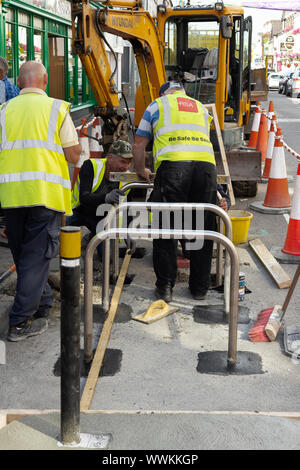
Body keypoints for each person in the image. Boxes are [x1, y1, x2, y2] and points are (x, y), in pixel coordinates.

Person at [0, 61, 81, 342]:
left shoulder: (3, 110)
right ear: (45, 81)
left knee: (25, 256)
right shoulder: (57, 109)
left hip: (11, 197)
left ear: (20, 82)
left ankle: (43, 303)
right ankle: (19, 322)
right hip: (44, 196)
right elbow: (73, 155)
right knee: (36, 258)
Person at [133, 80, 217, 302]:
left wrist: (141, 170)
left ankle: (165, 287)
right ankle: (200, 288)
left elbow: (139, 144)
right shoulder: (200, 107)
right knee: (203, 227)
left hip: (173, 168)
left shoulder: (157, 105)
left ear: (164, 93)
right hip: (206, 168)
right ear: (183, 93)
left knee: (165, 227)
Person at [67, 140, 133, 259]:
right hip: (77, 211)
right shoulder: (91, 166)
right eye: (122, 161)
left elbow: (127, 208)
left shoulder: (126, 178)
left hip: (100, 219)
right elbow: (84, 197)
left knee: (109, 259)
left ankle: (92, 238)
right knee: (56, 236)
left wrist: (128, 233)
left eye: (129, 163)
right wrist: (106, 197)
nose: (126, 167)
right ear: (109, 158)